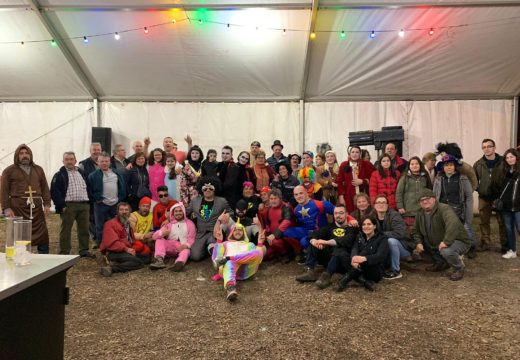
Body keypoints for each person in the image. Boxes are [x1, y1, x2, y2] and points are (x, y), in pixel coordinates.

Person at [1, 144, 51, 253]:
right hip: (18, 209)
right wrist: (6, 208)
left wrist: (47, 204)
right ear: (17, 156)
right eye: (21, 153)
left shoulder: (38, 169)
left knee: (42, 236)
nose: (24, 156)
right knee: (20, 236)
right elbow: (3, 191)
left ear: (31, 155)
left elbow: (45, 188)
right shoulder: (9, 171)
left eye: (27, 153)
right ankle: (22, 258)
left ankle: (44, 259)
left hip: (36, 209)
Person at [295, 204, 358, 289]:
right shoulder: (330, 226)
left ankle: (326, 277)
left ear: (347, 214)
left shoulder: (352, 228)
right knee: (315, 243)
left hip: (343, 261)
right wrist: (314, 242)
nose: (338, 216)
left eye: (341, 213)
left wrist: (326, 242)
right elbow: (315, 234)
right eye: (336, 213)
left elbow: (347, 240)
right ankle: (309, 271)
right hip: (329, 258)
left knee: (339, 249)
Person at [411, 189, 469, 281]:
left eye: (428, 198)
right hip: (436, 243)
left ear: (434, 199)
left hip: (457, 241)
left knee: (446, 251)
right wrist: (418, 243)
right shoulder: (420, 213)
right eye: (422, 200)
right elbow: (415, 231)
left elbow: (452, 223)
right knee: (418, 244)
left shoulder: (444, 208)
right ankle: (440, 263)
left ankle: (458, 269)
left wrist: (446, 241)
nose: (425, 201)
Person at [50, 151, 94, 258]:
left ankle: (83, 250)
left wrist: (89, 202)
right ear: (63, 161)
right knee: (66, 230)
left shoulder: (82, 173)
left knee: (84, 229)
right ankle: (64, 252)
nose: (69, 161)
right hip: (68, 206)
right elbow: (54, 191)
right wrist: (61, 205)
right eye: (67, 159)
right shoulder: (59, 175)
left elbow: (88, 187)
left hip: (84, 205)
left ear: (75, 160)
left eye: (71, 159)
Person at [212, 216, 266, 301]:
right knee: (230, 262)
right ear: (232, 232)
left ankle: (229, 258)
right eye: (235, 230)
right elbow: (216, 257)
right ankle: (230, 288)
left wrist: (259, 243)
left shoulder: (250, 245)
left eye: (240, 230)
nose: (237, 232)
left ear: (244, 232)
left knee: (259, 252)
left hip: (245, 270)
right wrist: (219, 241)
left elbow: (258, 258)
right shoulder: (225, 243)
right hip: (228, 270)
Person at [433, 154, 475, 258]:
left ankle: (466, 250)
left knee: (463, 232)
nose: (449, 167)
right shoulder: (438, 179)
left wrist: (468, 216)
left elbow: (469, 197)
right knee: (445, 232)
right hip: (443, 211)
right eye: (446, 165)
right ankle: (447, 251)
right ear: (443, 167)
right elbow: (435, 196)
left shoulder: (462, 179)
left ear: (455, 166)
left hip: (459, 211)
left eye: (451, 165)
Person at [185, 176, 233, 261]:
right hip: (201, 233)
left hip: (215, 232)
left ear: (215, 189)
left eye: (210, 188)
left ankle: (213, 250)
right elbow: (185, 212)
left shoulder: (222, 201)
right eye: (205, 188)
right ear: (201, 190)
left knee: (215, 247)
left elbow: (231, 212)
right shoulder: (195, 201)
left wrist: (228, 215)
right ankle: (207, 249)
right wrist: (170, 216)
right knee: (195, 257)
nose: (208, 190)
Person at [335, 217, 389, 292]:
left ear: (374, 226)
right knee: (343, 254)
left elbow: (380, 256)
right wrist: (354, 258)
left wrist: (364, 259)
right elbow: (355, 248)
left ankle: (344, 280)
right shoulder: (360, 236)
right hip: (359, 267)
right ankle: (365, 282)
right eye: (364, 224)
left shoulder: (382, 238)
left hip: (374, 270)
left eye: (369, 224)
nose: (366, 226)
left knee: (366, 254)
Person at [99, 202, 151, 277]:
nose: (124, 212)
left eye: (126, 210)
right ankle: (111, 268)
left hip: (124, 250)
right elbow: (112, 243)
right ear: (118, 211)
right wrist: (127, 249)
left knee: (147, 258)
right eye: (121, 210)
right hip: (113, 252)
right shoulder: (110, 224)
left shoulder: (126, 223)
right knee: (138, 262)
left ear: (130, 211)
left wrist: (131, 248)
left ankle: (118, 262)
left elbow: (130, 239)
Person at [473, 139, 507, 253]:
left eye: (489, 146)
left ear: (494, 148)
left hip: (500, 198)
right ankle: (485, 243)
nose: (486, 149)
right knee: (484, 221)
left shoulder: (503, 162)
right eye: (484, 147)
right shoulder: (478, 164)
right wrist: (480, 189)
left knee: (502, 222)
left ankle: (505, 245)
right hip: (484, 197)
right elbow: (474, 180)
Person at [370, 194, 413, 280]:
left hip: (403, 247)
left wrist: (380, 235)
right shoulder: (372, 216)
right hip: (385, 248)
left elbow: (399, 233)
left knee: (391, 241)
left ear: (387, 205)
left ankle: (396, 271)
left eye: (383, 203)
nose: (381, 205)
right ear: (374, 205)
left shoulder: (394, 215)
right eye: (378, 202)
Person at [88, 152, 126, 246]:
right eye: (102, 161)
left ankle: (116, 242)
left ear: (110, 162)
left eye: (106, 161)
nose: (104, 163)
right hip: (101, 204)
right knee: (100, 226)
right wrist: (95, 198)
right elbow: (89, 190)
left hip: (115, 204)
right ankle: (102, 244)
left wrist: (120, 198)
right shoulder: (93, 175)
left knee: (116, 224)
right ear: (98, 162)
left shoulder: (116, 173)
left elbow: (122, 186)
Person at [284, 185, 336, 253]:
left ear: (306, 193)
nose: (299, 196)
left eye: (301, 193)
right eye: (296, 194)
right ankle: (300, 252)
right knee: (287, 232)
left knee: (304, 242)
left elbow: (339, 212)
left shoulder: (319, 204)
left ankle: (320, 252)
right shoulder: (296, 210)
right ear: (294, 197)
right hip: (307, 232)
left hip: (320, 233)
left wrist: (350, 220)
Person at [150, 202, 196, 271]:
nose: (178, 213)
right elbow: (154, 236)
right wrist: (162, 233)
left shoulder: (190, 224)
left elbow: (191, 239)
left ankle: (179, 264)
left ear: (183, 212)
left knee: (186, 251)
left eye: (180, 211)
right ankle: (159, 260)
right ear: (173, 213)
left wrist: (186, 245)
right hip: (170, 247)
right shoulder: (169, 224)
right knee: (159, 239)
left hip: (182, 246)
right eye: (176, 211)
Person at [491, 148, 520, 259]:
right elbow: (497, 187)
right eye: (507, 158)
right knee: (508, 229)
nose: (509, 159)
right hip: (506, 207)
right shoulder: (503, 171)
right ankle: (512, 250)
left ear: (516, 157)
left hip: (518, 206)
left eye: (511, 157)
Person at [395, 156, 433, 230]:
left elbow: (430, 192)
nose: (414, 166)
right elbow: (399, 192)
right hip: (408, 210)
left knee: (423, 230)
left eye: (416, 164)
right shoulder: (404, 178)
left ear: (420, 165)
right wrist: (400, 206)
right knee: (410, 232)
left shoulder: (425, 177)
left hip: (423, 209)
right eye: (412, 164)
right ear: (409, 166)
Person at [263, 188, 299, 261]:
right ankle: (279, 252)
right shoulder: (269, 208)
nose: (273, 201)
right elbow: (268, 224)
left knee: (274, 242)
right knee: (265, 256)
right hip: (274, 238)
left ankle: (286, 254)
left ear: (280, 198)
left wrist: (274, 235)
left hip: (285, 237)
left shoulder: (286, 207)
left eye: (275, 198)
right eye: (271, 199)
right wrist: (268, 235)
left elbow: (287, 221)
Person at [337, 146, 374, 213]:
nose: (354, 154)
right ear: (349, 154)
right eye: (353, 152)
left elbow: (373, 179)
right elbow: (339, 181)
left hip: (363, 195)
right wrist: (341, 196)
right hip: (348, 196)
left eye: (357, 152)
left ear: (360, 154)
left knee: (364, 215)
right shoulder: (344, 165)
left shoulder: (367, 165)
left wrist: (363, 181)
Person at [79, 142, 102, 244]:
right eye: (94, 150)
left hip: (104, 196)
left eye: (98, 150)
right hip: (90, 196)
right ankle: (94, 238)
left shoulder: (106, 161)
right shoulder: (83, 164)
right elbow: (81, 181)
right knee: (91, 218)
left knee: (103, 217)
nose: (96, 152)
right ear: (90, 151)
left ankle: (102, 237)